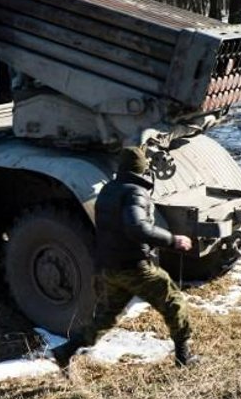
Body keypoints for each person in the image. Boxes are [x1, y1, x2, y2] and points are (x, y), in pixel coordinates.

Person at [53, 147, 196, 369]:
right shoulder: (135, 192)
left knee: (105, 318)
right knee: (174, 303)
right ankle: (184, 358)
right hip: (135, 268)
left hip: (107, 268)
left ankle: (65, 351)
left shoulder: (108, 190)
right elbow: (137, 227)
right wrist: (172, 240)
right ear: (142, 169)